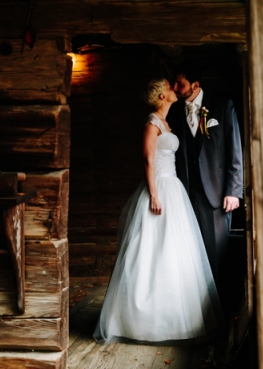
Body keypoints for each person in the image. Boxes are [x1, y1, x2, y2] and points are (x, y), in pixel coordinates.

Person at [93, 78, 220, 345]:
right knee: (150, 249)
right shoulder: (152, 123)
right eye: (168, 87)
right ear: (161, 96)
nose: (174, 89)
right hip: (159, 188)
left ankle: (177, 317)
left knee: (174, 250)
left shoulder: (166, 122)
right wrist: (154, 194)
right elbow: (148, 160)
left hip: (173, 187)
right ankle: (136, 319)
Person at [168, 61, 243, 292]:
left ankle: (219, 309)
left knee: (216, 253)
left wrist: (233, 191)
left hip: (216, 194)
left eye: (180, 84)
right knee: (190, 252)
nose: (175, 88)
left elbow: (235, 150)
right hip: (186, 194)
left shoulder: (221, 106)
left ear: (195, 85)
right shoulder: (174, 113)